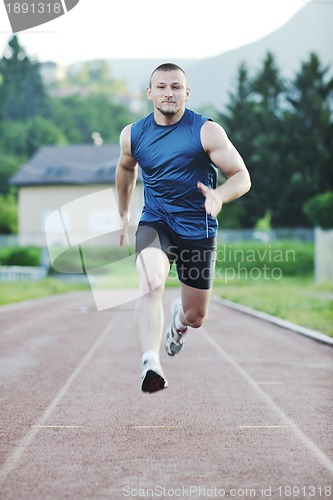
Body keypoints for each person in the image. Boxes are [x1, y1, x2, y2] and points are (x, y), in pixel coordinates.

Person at [116, 63, 251, 393]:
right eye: (161, 86)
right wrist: (123, 213)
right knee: (150, 281)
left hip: (197, 228)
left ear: (186, 93)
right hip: (156, 221)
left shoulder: (206, 131)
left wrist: (219, 196)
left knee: (196, 317)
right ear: (150, 93)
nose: (168, 93)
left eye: (176, 87)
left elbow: (242, 177)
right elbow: (125, 169)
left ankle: (178, 324)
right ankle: (151, 363)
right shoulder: (133, 134)